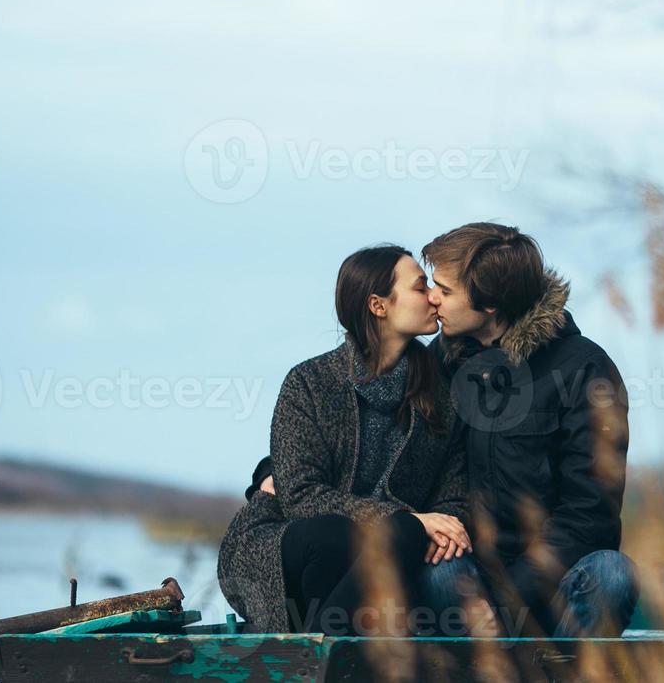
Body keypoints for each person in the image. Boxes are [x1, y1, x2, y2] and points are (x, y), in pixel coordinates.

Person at [217, 244, 473, 636]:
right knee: (339, 535)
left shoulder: (441, 394)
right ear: (379, 305)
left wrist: (435, 527)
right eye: (421, 287)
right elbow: (300, 495)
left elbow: (453, 496)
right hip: (287, 546)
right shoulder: (310, 383)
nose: (433, 297)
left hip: (391, 555)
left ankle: (320, 658)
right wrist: (403, 519)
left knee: (401, 534)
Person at [418, 222, 638, 638]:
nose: (431, 299)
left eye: (444, 291)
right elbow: (362, 416)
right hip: (470, 581)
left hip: (554, 585)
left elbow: (590, 514)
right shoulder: (440, 363)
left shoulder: (584, 369)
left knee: (613, 574)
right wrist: (273, 471)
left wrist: (507, 605)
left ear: (489, 306)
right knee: (438, 573)